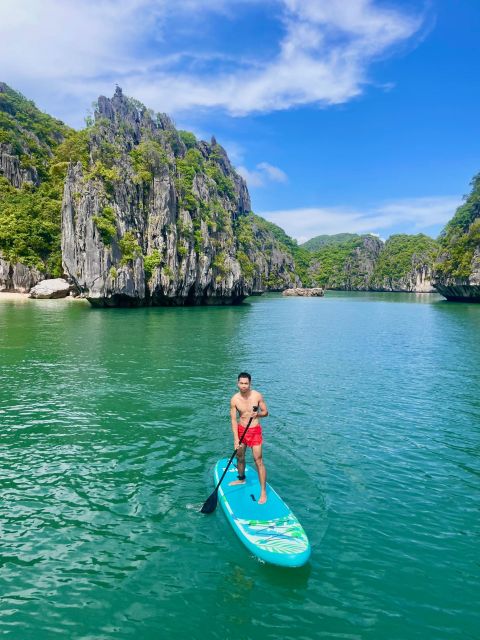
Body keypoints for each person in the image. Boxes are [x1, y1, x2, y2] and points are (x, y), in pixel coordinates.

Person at [229, 372, 269, 504]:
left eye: (246, 383)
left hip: (255, 431)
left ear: (250, 384)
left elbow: (266, 412)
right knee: (240, 457)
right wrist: (236, 439)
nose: (243, 386)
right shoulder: (234, 399)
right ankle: (241, 478)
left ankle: (263, 492)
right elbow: (234, 420)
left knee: (258, 460)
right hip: (241, 431)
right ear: (237, 383)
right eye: (241, 383)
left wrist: (257, 415)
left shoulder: (257, 396)